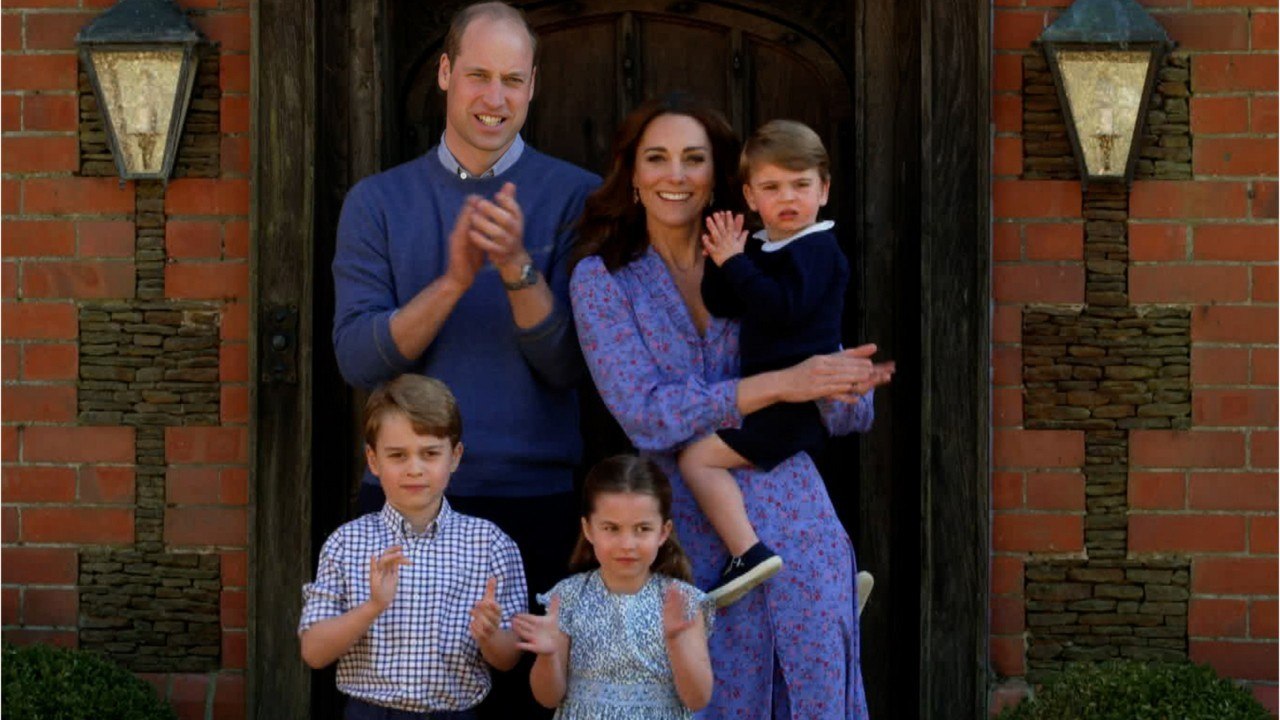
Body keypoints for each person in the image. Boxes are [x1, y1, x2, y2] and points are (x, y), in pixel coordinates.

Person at [569, 95, 892, 719]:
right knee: (712, 700)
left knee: (813, 697)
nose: (676, 175)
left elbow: (836, 398)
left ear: (716, 177)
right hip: (686, 532)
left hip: (799, 518)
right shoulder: (604, 279)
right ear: (631, 175)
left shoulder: (769, 256)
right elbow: (644, 413)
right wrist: (777, 385)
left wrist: (847, 384)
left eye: (694, 159)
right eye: (656, 158)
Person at [330, 3, 598, 715]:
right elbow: (358, 359)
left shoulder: (578, 198)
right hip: (406, 506)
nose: (495, 98)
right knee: (401, 702)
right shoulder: (378, 202)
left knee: (526, 706)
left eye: (513, 79)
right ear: (445, 73)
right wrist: (452, 280)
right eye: (478, 75)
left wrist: (513, 267)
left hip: (535, 503)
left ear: (534, 85)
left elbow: (573, 365)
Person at [679, 120, 883, 607]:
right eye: (771, 187)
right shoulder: (765, 248)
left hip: (795, 404)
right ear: (751, 197)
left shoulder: (818, 250)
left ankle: (746, 553)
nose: (787, 198)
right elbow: (724, 302)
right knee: (798, 497)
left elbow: (780, 307)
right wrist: (723, 256)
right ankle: (834, 580)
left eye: (800, 185)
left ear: (825, 190)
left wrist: (736, 262)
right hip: (777, 399)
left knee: (697, 458)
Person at [298, 375, 526, 719]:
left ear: (455, 456)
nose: (414, 469)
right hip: (370, 712)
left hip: (454, 712)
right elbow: (313, 652)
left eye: (430, 453)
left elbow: (509, 659)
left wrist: (490, 635)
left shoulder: (490, 544)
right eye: (398, 455)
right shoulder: (346, 543)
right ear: (373, 461)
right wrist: (373, 606)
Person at [512, 455, 714, 719]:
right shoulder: (568, 597)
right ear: (588, 529)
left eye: (642, 529)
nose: (627, 544)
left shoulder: (682, 601)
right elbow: (548, 698)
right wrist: (548, 656)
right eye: (612, 528)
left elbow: (698, 699)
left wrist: (676, 641)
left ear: (663, 532)